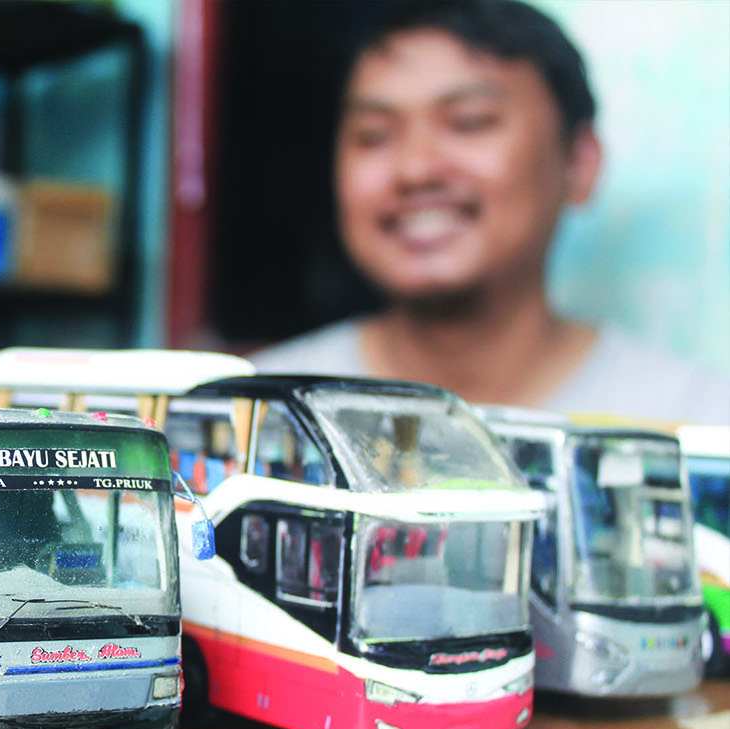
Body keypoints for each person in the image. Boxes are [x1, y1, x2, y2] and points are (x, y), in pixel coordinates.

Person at [250, 0, 730, 426]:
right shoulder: (257, 414)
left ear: (578, 162)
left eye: (469, 122)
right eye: (374, 134)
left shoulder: (696, 423)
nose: (415, 169)